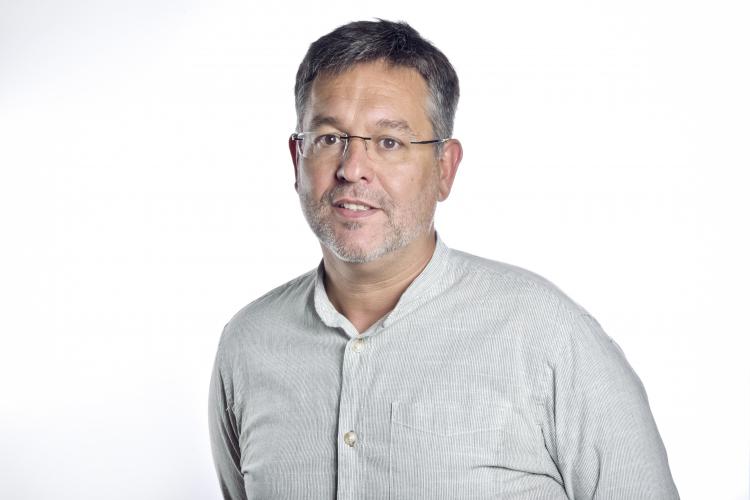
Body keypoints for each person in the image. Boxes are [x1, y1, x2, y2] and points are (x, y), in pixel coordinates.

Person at [208, 19, 679, 500]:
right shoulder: (247, 345)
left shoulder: (549, 339)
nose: (352, 169)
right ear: (297, 158)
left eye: (389, 142)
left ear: (444, 168)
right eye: (329, 138)